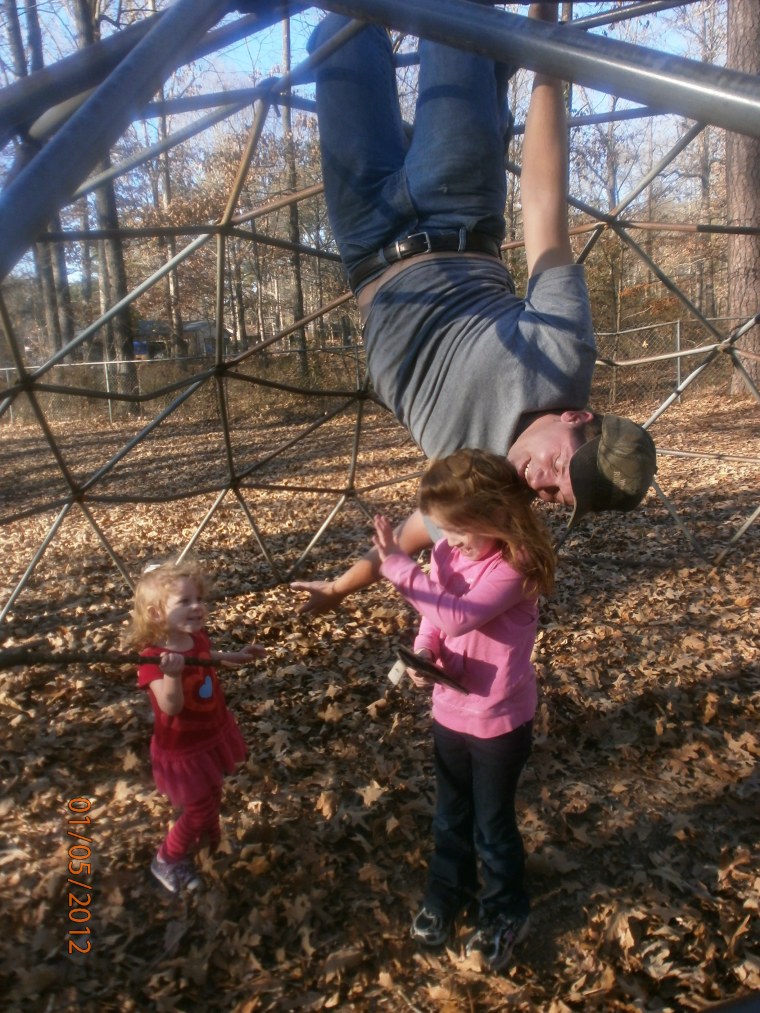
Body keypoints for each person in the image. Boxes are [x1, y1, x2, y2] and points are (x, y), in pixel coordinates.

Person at [291, 3, 656, 615]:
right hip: (456, 205)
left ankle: (490, 82)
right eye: (561, 467)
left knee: (337, 37)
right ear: (578, 416)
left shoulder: (492, 492)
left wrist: (339, 587)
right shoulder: (565, 356)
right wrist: (546, 57)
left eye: (557, 496)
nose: (541, 482)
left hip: (364, 241)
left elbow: (414, 532)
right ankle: (492, 75)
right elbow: (544, 206)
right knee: (457, 21)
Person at [372, 447, 554, 970]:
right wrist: (424, 650)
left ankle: (505, 910)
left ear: (497, 516)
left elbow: (457, 615)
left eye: (459, 529)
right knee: (450, 816)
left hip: (499, 723)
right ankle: (447, 891)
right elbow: (436, 616)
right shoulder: (452, 553)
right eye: (444, 530)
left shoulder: (516, 565)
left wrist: (397, 568)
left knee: (491, 826)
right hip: (449, 711)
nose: (449, 541)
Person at [124, 558, 266, 894]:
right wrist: (171, 675)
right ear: (157, 613)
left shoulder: (195, 639)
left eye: (198, 599)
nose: (197, 607)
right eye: (185, 602)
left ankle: (209, 840)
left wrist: (233, 655)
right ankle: (167, 859)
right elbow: (170, 706)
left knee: (212, 794)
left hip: (210, 732)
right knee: (199, 808)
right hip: (183, 747)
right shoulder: (153, 660)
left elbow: (206, 656)